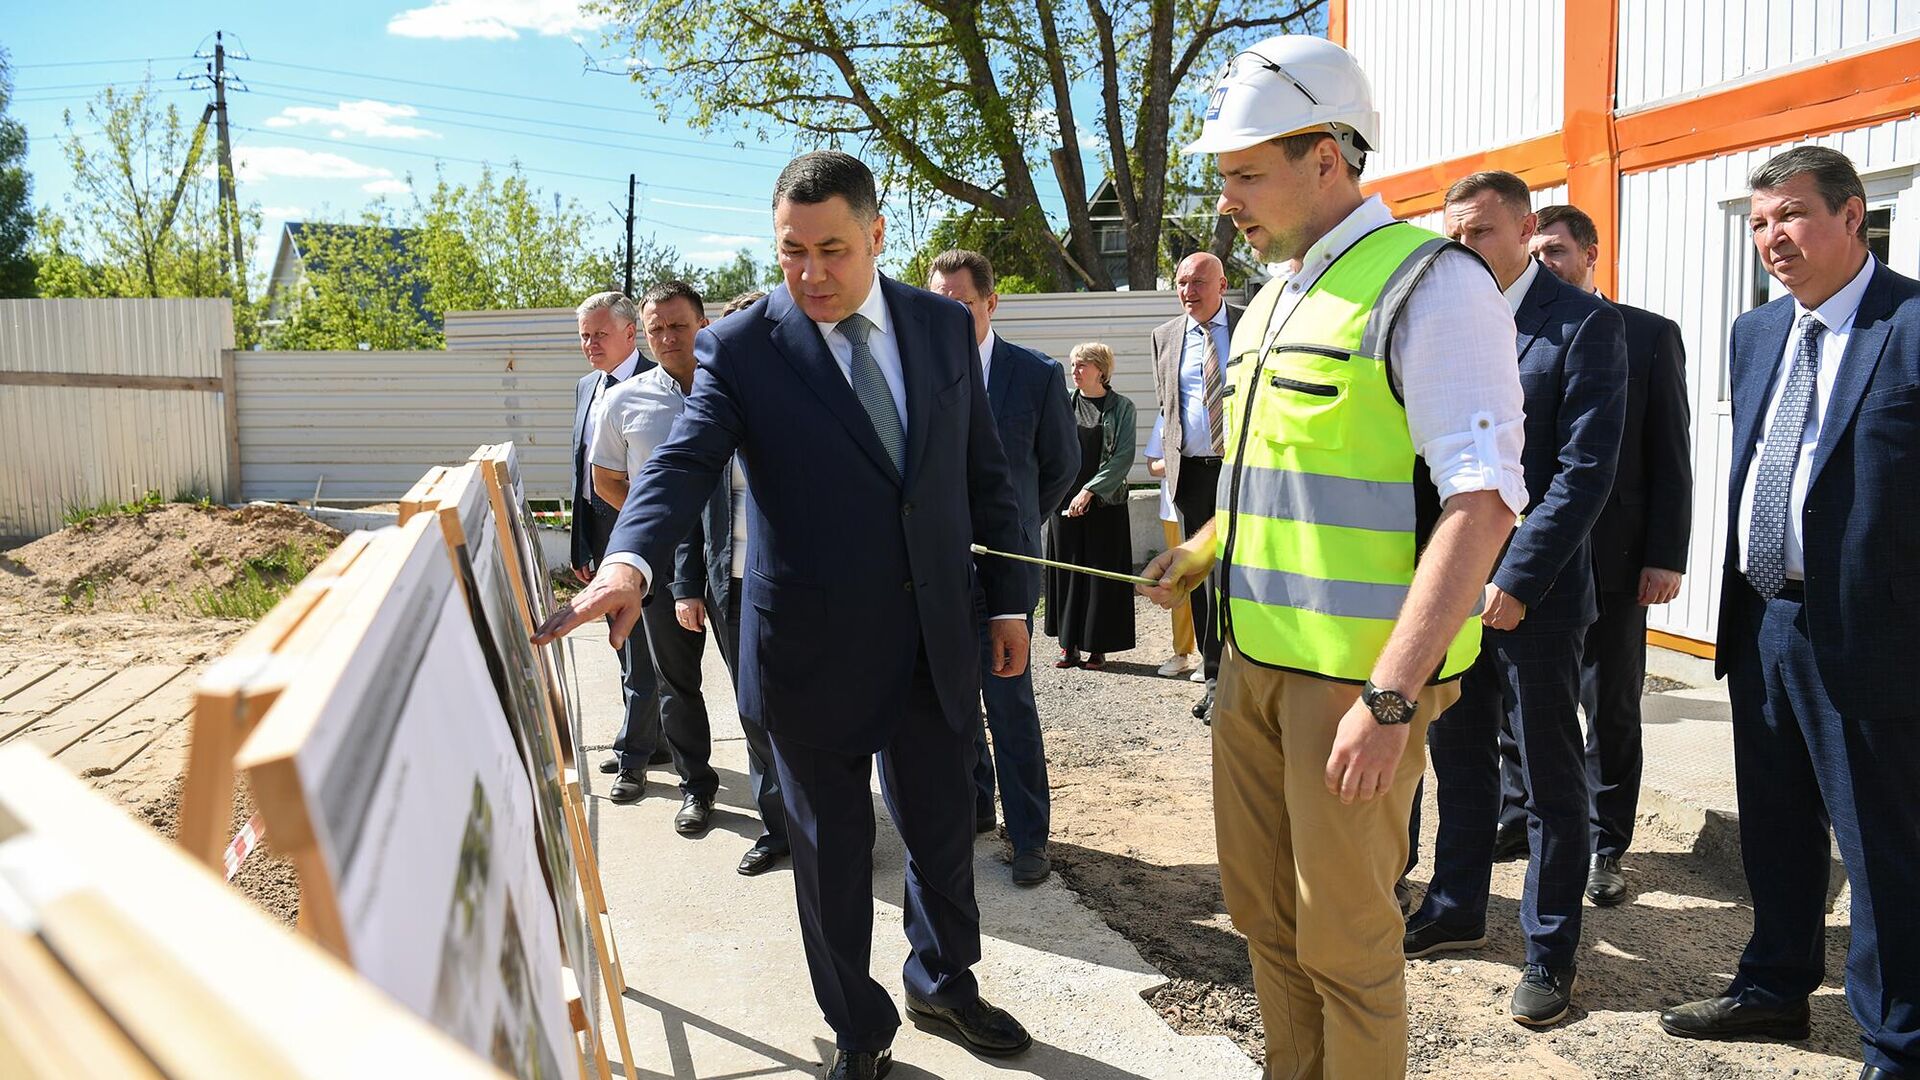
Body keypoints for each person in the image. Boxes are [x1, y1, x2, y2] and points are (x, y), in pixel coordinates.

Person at [536, 151, 1035, 1080]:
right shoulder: (742, 347)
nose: (809, 273)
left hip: (934, 638)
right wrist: (630, 560)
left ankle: (942, 981)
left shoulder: (937, 327)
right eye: (791, 251)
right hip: (809, 653)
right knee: (832, 859)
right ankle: (860, 1028)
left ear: (878, 237)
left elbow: (981, 474)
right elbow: (682, 464)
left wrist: (1007, 603)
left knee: (940, 836)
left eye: (832, 250)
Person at [1139, 35, 1526, 1078]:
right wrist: (1208, 550)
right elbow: (1285, 481)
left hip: (1355, 687)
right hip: (1252, 666)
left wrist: (1391, 700)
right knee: (1266, 922)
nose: (1228, 198)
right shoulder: (1272, 297)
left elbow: (1483, 507)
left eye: (1246, 172)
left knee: (1348, 948)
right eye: (1223, 176)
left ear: (1330, 157)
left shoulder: (1434, 287)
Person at [1658, 146, 1920, 1080]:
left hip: (1877, 634)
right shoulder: (1757, 331)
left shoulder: (1912, 323)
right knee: (1775, 821)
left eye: (1793, 216)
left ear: (1855, 217)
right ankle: (1773, 989)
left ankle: (1897, 1042)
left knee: (1882, 849)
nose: (1773, 238)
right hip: (1765, 615)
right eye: (1761, 221)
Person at [1408, 170, 1625, 1027]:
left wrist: (1516, 575)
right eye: (1452, 235)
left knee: (1547, 774)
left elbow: (1584, 471)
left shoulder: (1583, 325)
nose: (1464, 249)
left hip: (1537, 593)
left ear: (1525, 225)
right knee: (1458, 757)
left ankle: (1549, 949)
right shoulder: (1443, 323)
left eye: (1482, 232)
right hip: (1451, 589)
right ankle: (1456, 907)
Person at [1520, 203, 1692, 906]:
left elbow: (1671, 455)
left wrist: (1665, 554)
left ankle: (1605, 845)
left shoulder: (1646, 335)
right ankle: (1517, 816)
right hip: (1532, 554)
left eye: (1556, 250)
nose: (1544, 263)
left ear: (1591, 253)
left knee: (1609, 703)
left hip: (1615, 558)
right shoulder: (1511, 330)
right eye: (1536, 251)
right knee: (1516, 701)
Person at [926, 248, 1077, 887]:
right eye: (939, 304)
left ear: (991, 303)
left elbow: (1061, 466)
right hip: (935, 569)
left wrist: (1009, 531)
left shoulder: (1035, 376)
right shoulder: (919, 371)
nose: (949, 316)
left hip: (1006, 571)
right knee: (949, 701)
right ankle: (974, 809)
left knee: (1008, 701)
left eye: (960, 303)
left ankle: (1030, 837)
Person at [590, 281, 732, 841]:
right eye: (657, 328)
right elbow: (606, 480)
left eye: (679, 325)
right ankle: (696, 787)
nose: (669, 337)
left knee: (757, 685)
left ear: (703, 324)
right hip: (664, 566)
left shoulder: (733, 387)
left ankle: (781, 798)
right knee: (677, 683)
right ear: (643, 334)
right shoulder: (623, 400)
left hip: (733, 559)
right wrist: (661, 524)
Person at [662, 286, 790, 876]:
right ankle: (780, 827)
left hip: (799, 586)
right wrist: (687, 585)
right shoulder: (708, 411)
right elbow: (688, 505)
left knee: (817, 709)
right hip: (731, 588)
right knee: (756, 711)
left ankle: (838, 826)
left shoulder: (802, 405)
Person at [569, 291, 666, 792]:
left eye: (599, 334)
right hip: (602, 540)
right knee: (625, 649)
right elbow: (583, 471)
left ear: (631, 333)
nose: (590, 344)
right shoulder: (588, 386)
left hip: (645, 540)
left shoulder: (660, 383)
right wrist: (581, 545)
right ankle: (656, 738)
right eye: (584, 335)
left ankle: (634, 758)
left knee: (640, 650)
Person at [1151, 252, 1244, 720]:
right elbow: (1168, 407)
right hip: (1191, 474)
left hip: (1242, 469)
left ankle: (1248, 674)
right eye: (1182, 282)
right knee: (1199, 577)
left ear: (1222, 285)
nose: (1188, 291)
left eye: (1198, 282)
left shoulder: (1253, 326)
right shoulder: (1164, 337)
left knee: (1241, 572)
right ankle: (1213, 681)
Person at [1045, 342, 1136, 669]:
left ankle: (1098, 646)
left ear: (1101, 369)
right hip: (1063, 500)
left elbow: (1122, 458)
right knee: (1067, 572)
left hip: (1105, 503)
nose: (1075, 371)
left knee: (1101, 575)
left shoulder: (1122, 408)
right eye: (1073, 365)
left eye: (1081, 365)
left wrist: (1090, 491)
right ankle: (1068, 645)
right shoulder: (1062, 403)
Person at [1145, 415, 1199, 678]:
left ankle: (1209, 654)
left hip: (1208, 510)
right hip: (1173, 510)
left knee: (1208, 585)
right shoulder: (1167, 414)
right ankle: (1182, 652)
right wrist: (1179, 463)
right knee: (1176, 583)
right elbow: (1152, 465)